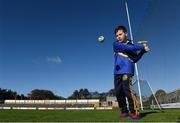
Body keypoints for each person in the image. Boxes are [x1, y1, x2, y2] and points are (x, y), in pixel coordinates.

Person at [113, 25, 150, 120]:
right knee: (118, 92)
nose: (118, 37)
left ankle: (134, 112)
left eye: (120, 34)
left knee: (127, 90)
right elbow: (129, 48)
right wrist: (143, 46)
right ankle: (124, 111)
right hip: (117, 72)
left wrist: (143, 52)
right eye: (117, 35)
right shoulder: (116, 44)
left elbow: (135, 59)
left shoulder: (131, 45)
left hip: (127, 71)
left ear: (126, 34)